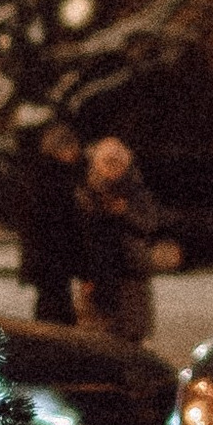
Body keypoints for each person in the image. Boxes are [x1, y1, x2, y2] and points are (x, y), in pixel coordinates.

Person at [72, 133, 164, 345]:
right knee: (99, 337)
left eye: (118, 162)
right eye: (108, 162)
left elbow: (150, 223)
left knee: (133, 336)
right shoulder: (87, 193)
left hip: (132, 276)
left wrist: (126, 213)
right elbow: (81, 234)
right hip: (100, 275)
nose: (113, 168)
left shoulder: (136, 191)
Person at [11, 116, 85, 327]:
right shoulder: (58, 179)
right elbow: (63, 223)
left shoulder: (36, 176)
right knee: (57, 310)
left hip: (42, 260)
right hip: (54, 259)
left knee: (49, 306)